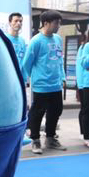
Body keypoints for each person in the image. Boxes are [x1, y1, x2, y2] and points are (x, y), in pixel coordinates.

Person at [22, 10, 66, 154]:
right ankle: (35, 139)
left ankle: (50, 138)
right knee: (37, 113)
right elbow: (27, 63)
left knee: (56, 111)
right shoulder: (36, 41)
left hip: (56, 84)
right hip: (41, 85)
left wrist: (63, 77)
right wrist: (26, 80)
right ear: (46, 23)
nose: (58, 25)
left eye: (59, 23)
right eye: (56, 23)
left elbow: (60, 60)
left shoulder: (58, 39)